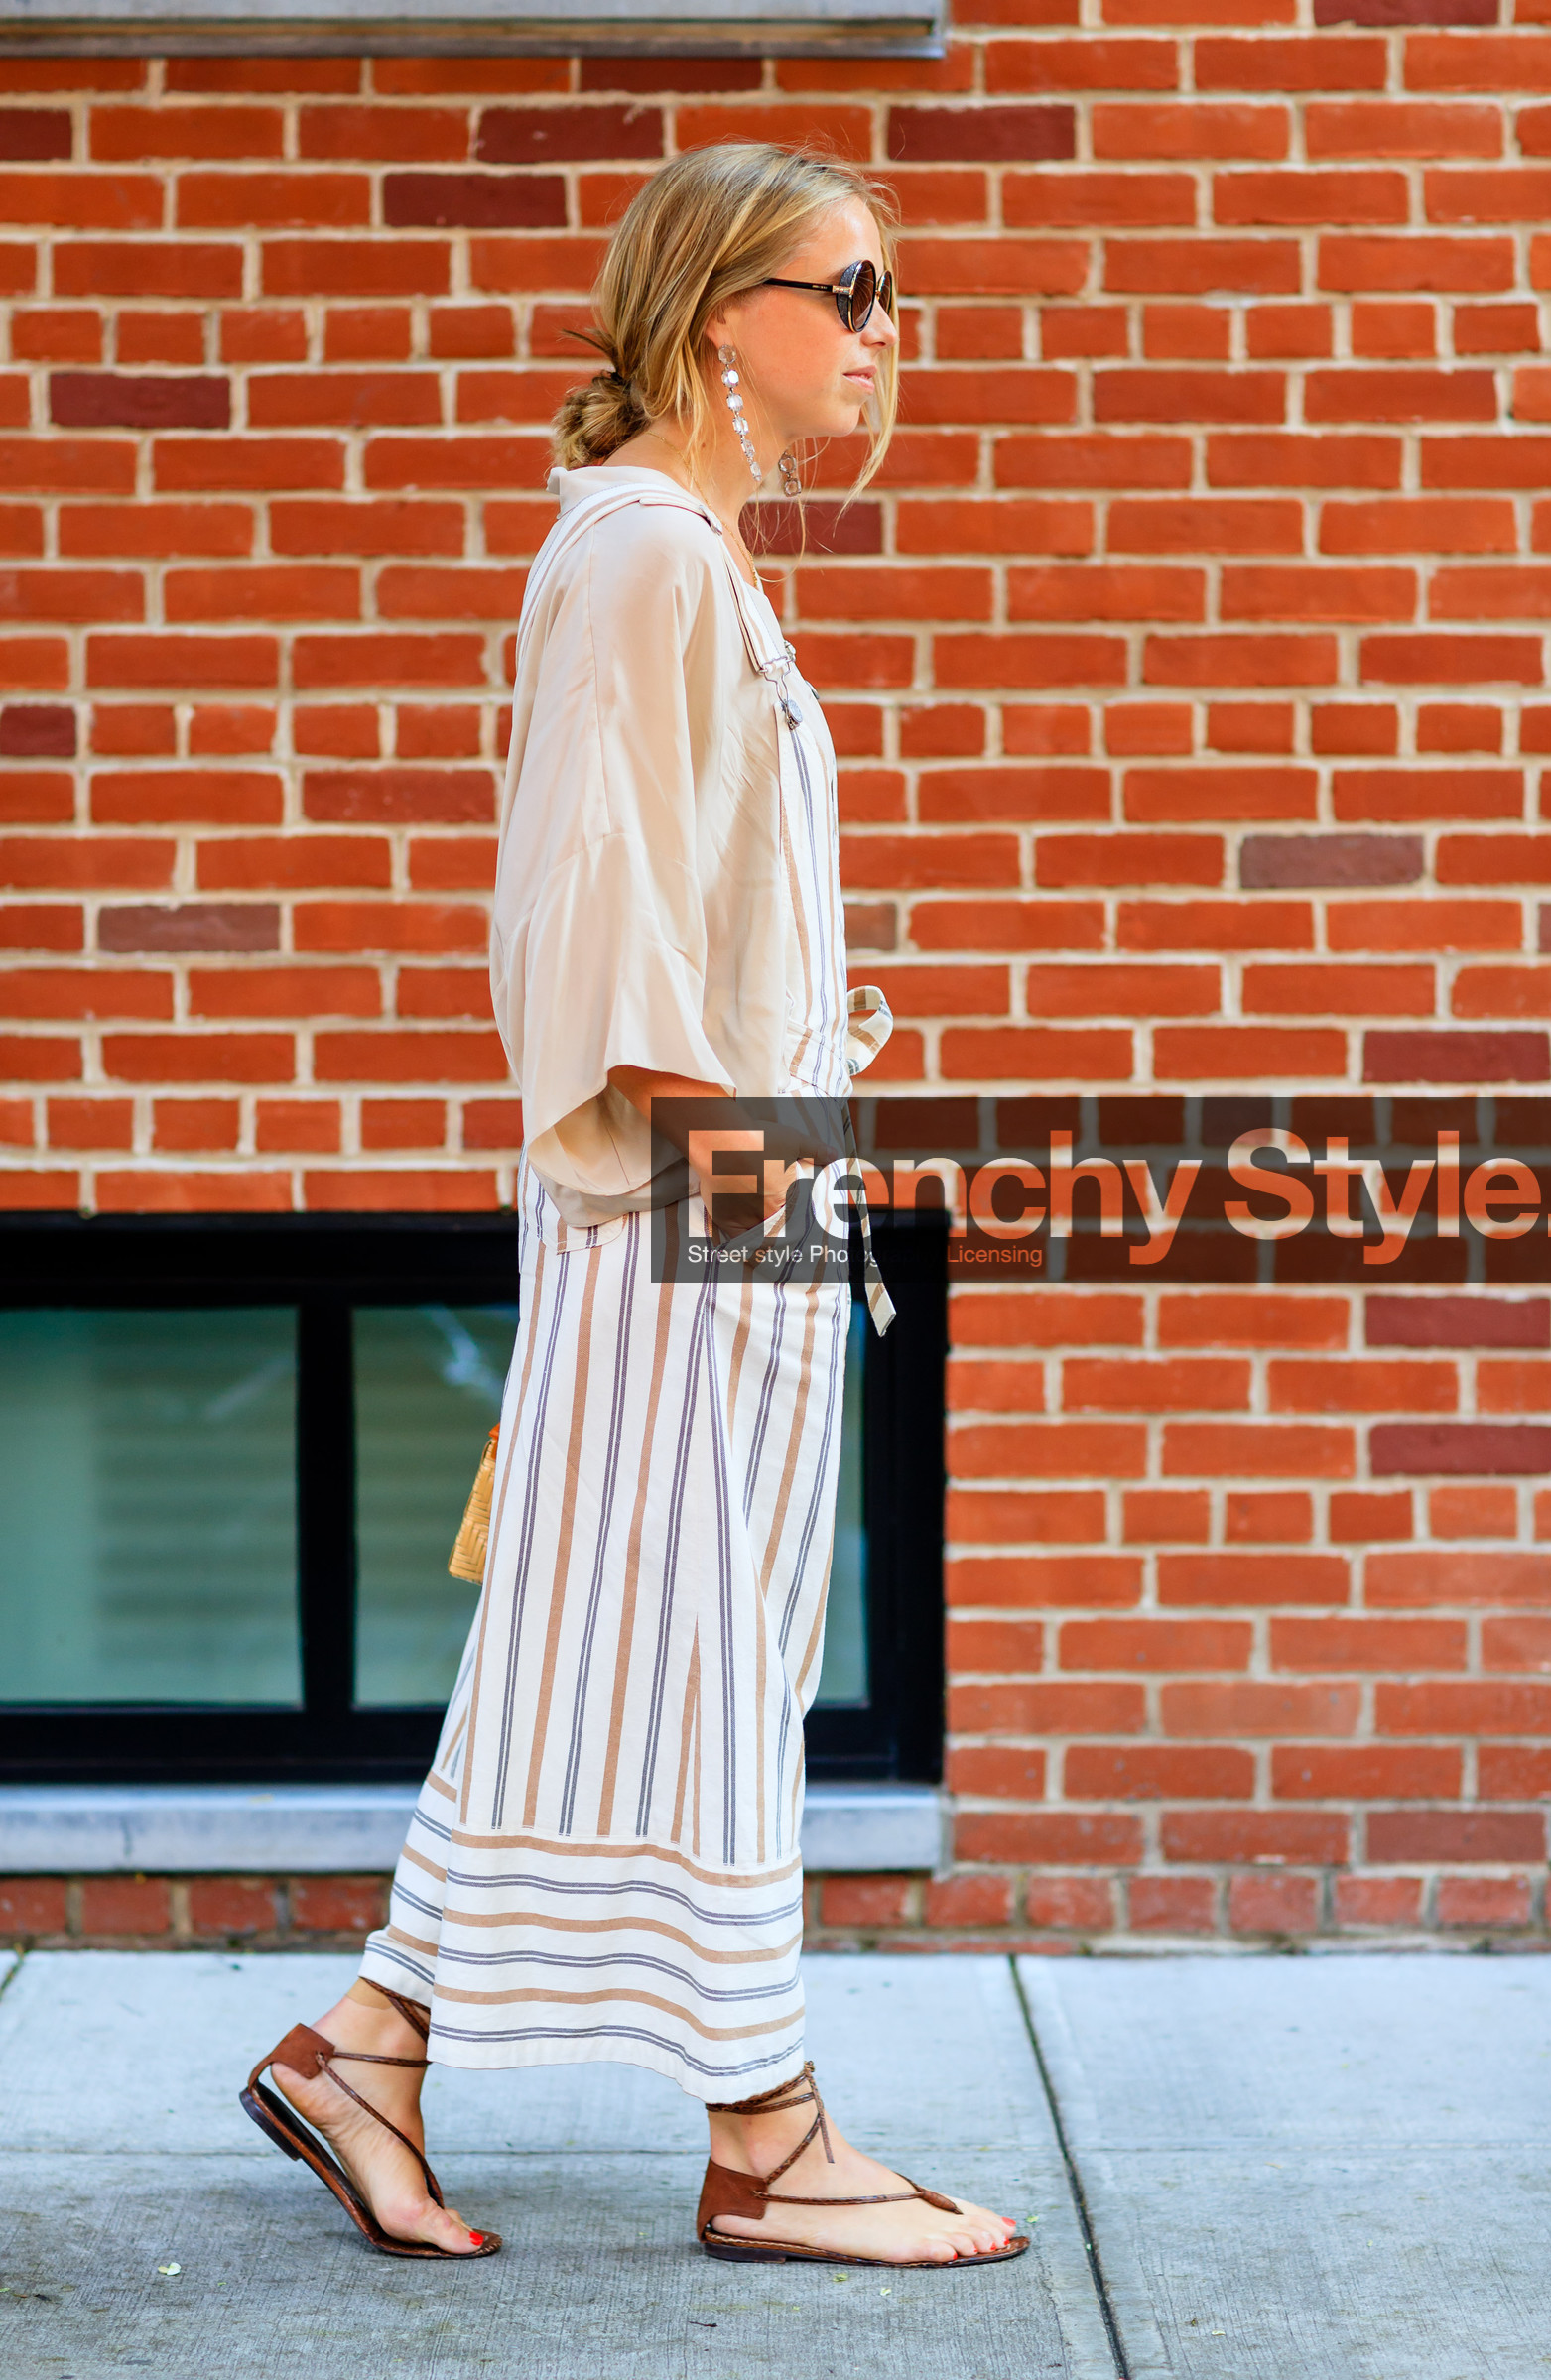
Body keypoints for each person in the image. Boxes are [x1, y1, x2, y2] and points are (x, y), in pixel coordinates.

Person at [241, 141, 1025, 2275]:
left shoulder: (687, 558)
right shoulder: (645, 557)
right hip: (690, 1210)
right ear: (715, 319)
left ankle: (369, 2050)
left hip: (722, 1213)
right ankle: (767, 2141)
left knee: (614, 1667)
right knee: (686, 1668)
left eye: (889, 296)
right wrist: (744, 1195)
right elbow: (584, 927)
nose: (882, 338)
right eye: (848, 292)